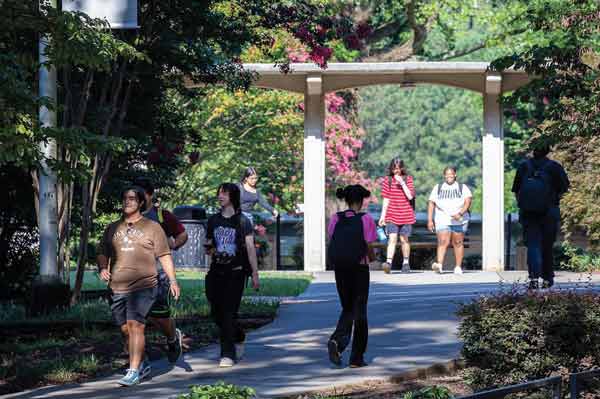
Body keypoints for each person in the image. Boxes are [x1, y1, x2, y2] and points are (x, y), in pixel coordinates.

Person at [97, 186, 180, 386]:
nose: (128, 201)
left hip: (145, 284)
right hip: (117, 286)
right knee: (125, 329)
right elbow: (102, 251)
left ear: (141, 202)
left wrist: (173, 280)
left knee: (136, 325)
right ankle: (142, 364)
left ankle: (133, 370)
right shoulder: (112, 227)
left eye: (132, 198)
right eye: (125, 198)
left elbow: (164, 255)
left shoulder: (152, 227)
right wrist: (102, 267)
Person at [204, 183, 260, 368]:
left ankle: (227, 354)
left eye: (224, 194)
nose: (220, 196)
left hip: (236, 273)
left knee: (228, 313)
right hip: (216, 272)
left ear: (233, 197)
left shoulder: (243, 221)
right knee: (216, 313)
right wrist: (210, 249)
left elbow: (250, 248)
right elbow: (209, 244)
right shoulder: (213, 220)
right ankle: (238, 335)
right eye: (219, 193)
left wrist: (254, 274)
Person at [133, 177, 188, 363]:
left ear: (149, 195)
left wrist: (172, 246)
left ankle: (173, 338)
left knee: (159, 319)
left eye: (140, 194)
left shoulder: (162, 216)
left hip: (158, 275)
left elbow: (182, 235)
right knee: (132, 320)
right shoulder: (129, 215)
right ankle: (138, 361)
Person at [327, 185, 377, 368]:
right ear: (362, 200)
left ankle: (337, 341)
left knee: (348, 307)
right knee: (360, 311)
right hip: (359, 268)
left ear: (347, 200)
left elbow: (332, 240)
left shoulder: (335, 218)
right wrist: (373, 258)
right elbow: (368, 244)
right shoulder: (366, 219)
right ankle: (356, 358)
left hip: (340, 269)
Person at [511, 145, 569, 289]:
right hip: (549, 212)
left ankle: (534, 278)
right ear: (548, 151)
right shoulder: (554, 167)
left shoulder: (524, 166)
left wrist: (524, 204)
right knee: (547, 246)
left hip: (528, 213)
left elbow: (516, 190)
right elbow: (564, 188)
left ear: (533, 151)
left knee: (533, 245)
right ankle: (548, 278)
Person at [427, 167, 473, 275]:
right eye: (447, 174)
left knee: (458, 242)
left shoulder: (462, 187)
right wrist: (430, 220)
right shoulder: (438, 187)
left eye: (451, 174)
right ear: (444, 176)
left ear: (455, 175)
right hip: (442, 218)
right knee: (443, 241)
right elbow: (431, 203)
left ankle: (458, 267)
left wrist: (460, 213)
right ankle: (439, 265)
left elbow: (468, 201)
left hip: (459, 219)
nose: (449, 176)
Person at [378, 158, 416, 273]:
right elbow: (386, 199)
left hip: (406, 214)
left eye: (398, 169)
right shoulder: (387, 180)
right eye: (394, 169)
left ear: (402, 169)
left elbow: (410, 196)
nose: (396, 171)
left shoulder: (408, 179)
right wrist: (382, 216)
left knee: (404, 239)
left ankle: (405, 263)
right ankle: (388, 263)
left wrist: (402, 183)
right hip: (391, 214)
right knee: (392, 239)